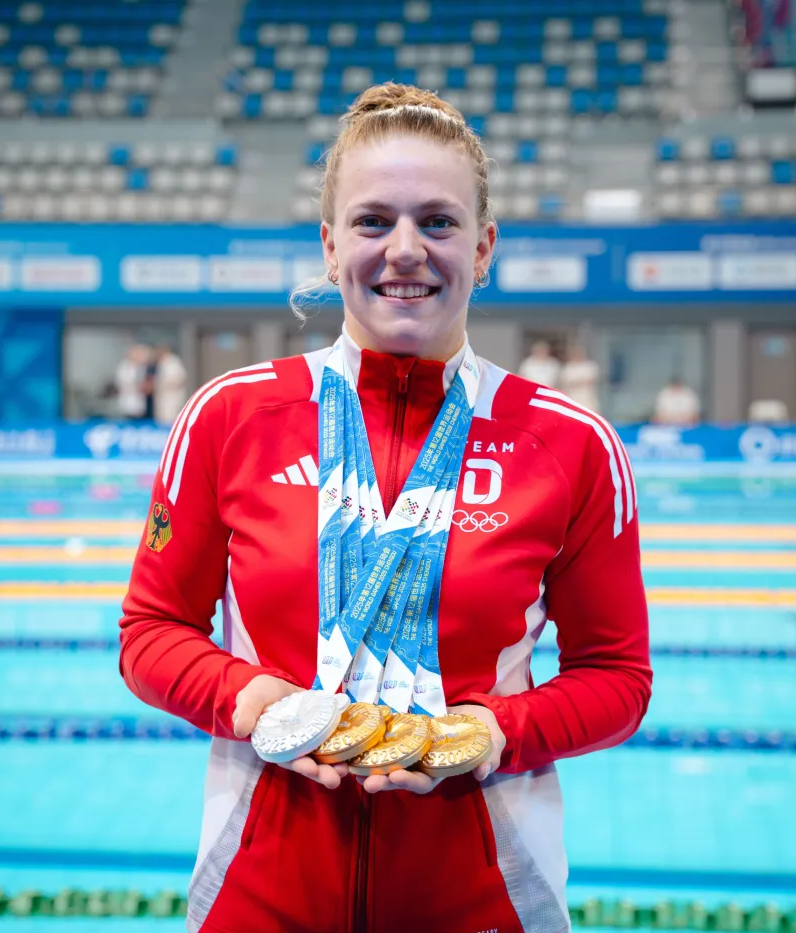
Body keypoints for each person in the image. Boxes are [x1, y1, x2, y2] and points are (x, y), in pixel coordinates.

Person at [118, 83, 651, 933]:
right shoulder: (231, 417)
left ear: (484, 247)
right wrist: (252, 699)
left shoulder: (570, 445)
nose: (406, 250)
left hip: (484, 891)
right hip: (259, 890)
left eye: (438, 223)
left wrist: (496, 729)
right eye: (373, 223)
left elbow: (618, 680)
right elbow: (149, 633)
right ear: (331, 247)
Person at [152, 345, 189, 425]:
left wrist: (164, 384)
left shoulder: (173, 362)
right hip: (163, 396)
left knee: (170, 417)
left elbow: (178, 378)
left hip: (172, 396)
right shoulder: (162, 363)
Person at [559, 343, 602, 413]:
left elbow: (590, 380)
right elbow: (567, 381)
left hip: (588, 398)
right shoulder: (568, 367)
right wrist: (580, 381)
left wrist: (577, 381)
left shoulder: (590, 366)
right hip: (574, 398)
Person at [114, 344, 151, 421]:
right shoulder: (125, 367)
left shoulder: (141, 367)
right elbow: (124, 381)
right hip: (128, 401)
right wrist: (139, 385)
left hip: (140, 403)